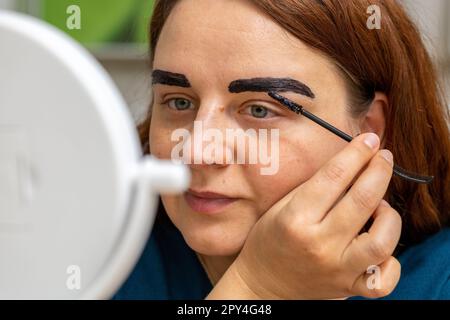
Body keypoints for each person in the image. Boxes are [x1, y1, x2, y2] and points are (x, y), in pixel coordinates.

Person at [113, 0, 450, 299]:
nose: (198, 152)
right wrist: (258, 289)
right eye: (179, 101)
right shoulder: (98, 256)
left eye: (260, 110)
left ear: (369, 128)